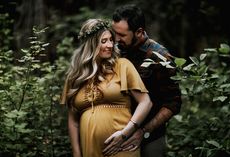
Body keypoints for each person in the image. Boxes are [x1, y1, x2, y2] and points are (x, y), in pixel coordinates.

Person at [60, 18, 153, 157]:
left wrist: (124, 134)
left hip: (123, 145)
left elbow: (146, 102)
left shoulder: (122, 65)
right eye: (103, 41)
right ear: (91, 44)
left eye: (111, 40)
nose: (110, 45)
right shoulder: (75, 76)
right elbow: (73, 121)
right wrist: (76, 153)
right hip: (90, 149)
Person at [103, 4, 182, 157]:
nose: (116, 40)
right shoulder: (115, 50)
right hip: (116, 130)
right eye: (115, 33)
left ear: (139, 32)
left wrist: (143, 131)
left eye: (122, 35)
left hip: (149, 136)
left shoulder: (160, 57)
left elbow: (173, 103)